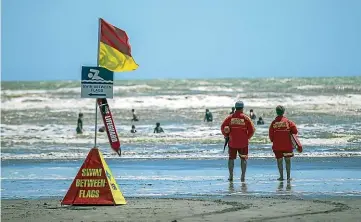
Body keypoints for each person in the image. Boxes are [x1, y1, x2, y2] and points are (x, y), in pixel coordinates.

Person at [221, 101, 255, 182]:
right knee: (243, 159)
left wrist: (226, 135)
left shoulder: (229, 118)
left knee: (231, 159)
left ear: (235, 107)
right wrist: (247, 138)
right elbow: (252, 130)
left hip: (232, 142)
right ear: (242, 108)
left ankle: (231, 176)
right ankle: (242, 177)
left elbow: (223, 127)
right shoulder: (246, 118)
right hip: (243, 143)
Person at [269, 105, 298, 181]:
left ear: (276, 112)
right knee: (287, 161)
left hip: (277, 146)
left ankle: (281, 176)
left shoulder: (274, 123)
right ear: (283, 112)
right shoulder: (288, 122)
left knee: (279, 161)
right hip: (287, 145)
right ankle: (288, 177)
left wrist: (273, 140)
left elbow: (271, 135)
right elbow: (295, 131)